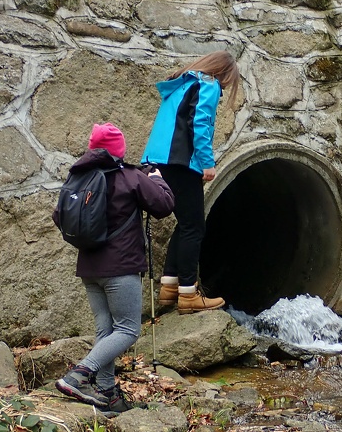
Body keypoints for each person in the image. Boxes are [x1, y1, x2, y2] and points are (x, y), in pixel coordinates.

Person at [53, 122, 175, 414]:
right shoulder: (129, 177)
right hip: (120, 267)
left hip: (89, 267)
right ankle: (79, 375)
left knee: (106, 329)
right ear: (119, 150)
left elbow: (60, 217)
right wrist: (157, 179)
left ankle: (107, 393)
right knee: (129, 330)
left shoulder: (76, 177)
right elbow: (164, 205)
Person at [141, 51, 241, 314]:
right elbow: (201, 123)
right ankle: (189, 294)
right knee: (195, 227)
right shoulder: (207, 84)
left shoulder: (183, 83)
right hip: (181, 163)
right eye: (229, 82)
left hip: (157, 160)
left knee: (186, 224)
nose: (226, 88)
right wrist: (207, 162)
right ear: (223, 73)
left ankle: (169, 287)